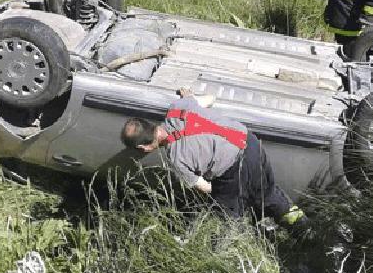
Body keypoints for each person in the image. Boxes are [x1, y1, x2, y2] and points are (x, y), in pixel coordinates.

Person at [120, 87, 311, 234]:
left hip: (236, 167)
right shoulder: (178, 108)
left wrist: (223, 193)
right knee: (267, 194)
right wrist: (189, 96)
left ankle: (238, 249)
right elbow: (210, 98)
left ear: (143, 148)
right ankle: (304, 229)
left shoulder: (176, 159)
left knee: (226, 216)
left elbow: (206, 188)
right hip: (251, 143)